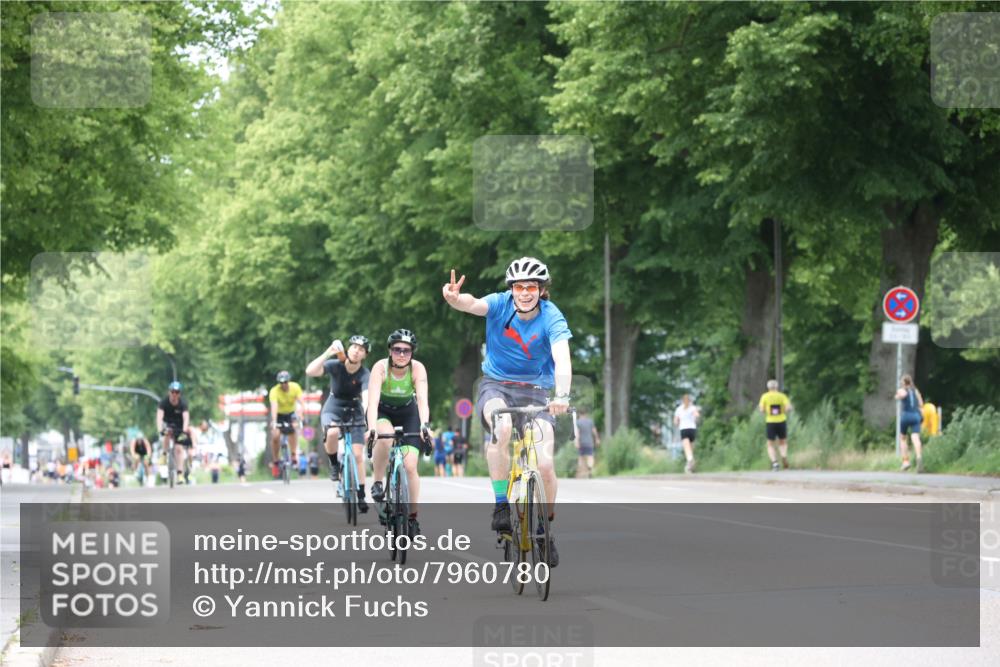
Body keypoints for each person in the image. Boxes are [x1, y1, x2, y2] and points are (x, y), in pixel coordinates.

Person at [442, 257, 572, 567]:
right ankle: (501, 504)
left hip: (538, 392)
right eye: (518, 286)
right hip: (496, 385)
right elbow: (473, 304)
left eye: (531, 287)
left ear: (541, 290)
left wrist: (562, 395)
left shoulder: (552, 317)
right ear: (511, 289)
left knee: (545, 464)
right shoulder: (500, 304)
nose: (524, 292)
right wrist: (455, 299)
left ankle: (545, 528)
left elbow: (562, 358)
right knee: (500, 427)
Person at [365, 329, 433, 530]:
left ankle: (412, 517)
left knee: (411, 465)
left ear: (412, 353)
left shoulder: (418, 369)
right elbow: (373, 400)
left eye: (406, 350)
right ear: (390, 351)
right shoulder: (380, 367)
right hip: (381, 411)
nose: (402, 354)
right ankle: (378, 482)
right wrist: (371, 429)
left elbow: (422, 399)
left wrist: (424, 425)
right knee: (386, 437)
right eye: (397, 350)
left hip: (408, 412)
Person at [306, 335, 371, 512]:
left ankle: (361, 495)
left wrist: (367, 417)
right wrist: (328, 353)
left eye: (361, 349)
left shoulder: (365, 374)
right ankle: (334, 464)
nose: (357, 351)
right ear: (348, 350)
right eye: (354, 347)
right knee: (332, 432)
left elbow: (366, 397)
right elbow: (310, 371)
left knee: (358, 455)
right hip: (333, 406)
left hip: (354, 409)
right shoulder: (336, 365)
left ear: (364, 355)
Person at [156, 381, 196, 484]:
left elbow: (186, 418)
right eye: (172, 392)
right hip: (168, 423)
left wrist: (184, 430)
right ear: (169, 392)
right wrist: (160, 429)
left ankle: (179, 474)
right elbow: (159, 417)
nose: (174, 394)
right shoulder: (163, 402)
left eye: (177, 392)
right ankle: (164, 455)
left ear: (179, 394)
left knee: (179, 448)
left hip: (180, 426)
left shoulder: (183, 403)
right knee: (167, 432)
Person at [268, 370, 305, 478]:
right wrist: (274, 421)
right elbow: (274, 406)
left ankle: (293, 455)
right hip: (279, 414)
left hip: (290, 413)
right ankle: (275, 461)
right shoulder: (274, 391)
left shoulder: (295, 387)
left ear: (289, 381)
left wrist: (301, 415)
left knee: (293, 429)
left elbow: (301, 403)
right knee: (275, 435)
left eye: (285, 382)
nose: (283, 385)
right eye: (281, 383)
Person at [758, 380, 792, 471]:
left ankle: (775, 463)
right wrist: (782, 411)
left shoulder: (764, 396)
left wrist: (767, 411)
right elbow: (789, 408)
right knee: (783, 441)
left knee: (770, 444)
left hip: (770, 422)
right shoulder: (782, 396)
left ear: (768, 387)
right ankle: (784, 456)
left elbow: (761, 410)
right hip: (781, 421)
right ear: (777, 387)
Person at [896, 374, 925, 472]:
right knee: (915, 437)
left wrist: (898, 396)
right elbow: (921, 404)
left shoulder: (902, 390)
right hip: (916, 416)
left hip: (906, 416)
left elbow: (901, 395)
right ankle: (919, 457)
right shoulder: (915, 391)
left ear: (903, 383)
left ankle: (905, 461)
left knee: (903, 438)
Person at [673, 395, 700, 473]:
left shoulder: (679, 409)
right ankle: (689, 467)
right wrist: (695, 420)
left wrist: (678, 424)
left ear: (682, 401)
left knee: (687, 449)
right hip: (692, 429)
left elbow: (675, 421)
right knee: (690, 449)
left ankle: (690, 460)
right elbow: (697, 415)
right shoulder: (693, 408)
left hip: (684, 429)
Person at [574, 409, 600, 478]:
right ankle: (590, 467)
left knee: (581, 458)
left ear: (579, 414)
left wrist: (576, 442)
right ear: (586, 414)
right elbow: (594, 431)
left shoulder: (578, 422)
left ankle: (581, 472)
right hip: (589, 442)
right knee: (590, 456)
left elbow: (577, 433)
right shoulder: (590, 422)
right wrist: (597, 439)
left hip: (582, 443)